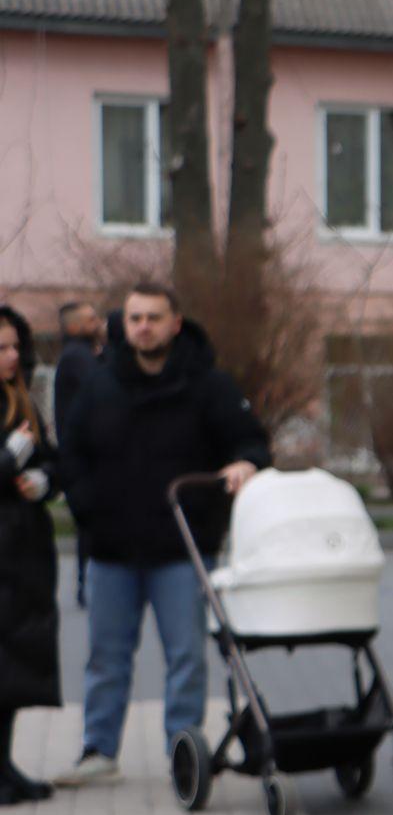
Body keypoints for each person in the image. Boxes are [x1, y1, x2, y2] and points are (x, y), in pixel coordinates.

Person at [52, 282, 269, 787]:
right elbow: (73, 455)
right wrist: (87, 508)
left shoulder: (208, 385)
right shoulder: (101, 386)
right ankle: (98, 751)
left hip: (183, 550)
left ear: (175, 324)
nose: (143, 327)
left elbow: (250, 442)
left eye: (153, 317)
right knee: (105, 659)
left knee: (186, 657)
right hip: (112, 550)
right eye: (134, 319)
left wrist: (244, 463)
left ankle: (183, 753)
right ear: (122, 326)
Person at [0, 306, 60, 804]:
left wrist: (42, 481)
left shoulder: (21, 401)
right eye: (1, 348)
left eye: (16, 346)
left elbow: (53, 462)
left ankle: (6, 766)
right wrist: (9, 459)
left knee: (14, 668)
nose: (12, 356)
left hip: (23, 553)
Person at [53, 299, 106, 607]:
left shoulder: (77, 356)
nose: (96, 323)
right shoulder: (78, 357)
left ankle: (87, 584)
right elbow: (100, 384)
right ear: (73, 327)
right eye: (90, 319)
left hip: (80, 456)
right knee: (91, 524)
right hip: (83, 459)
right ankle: (89, 585)